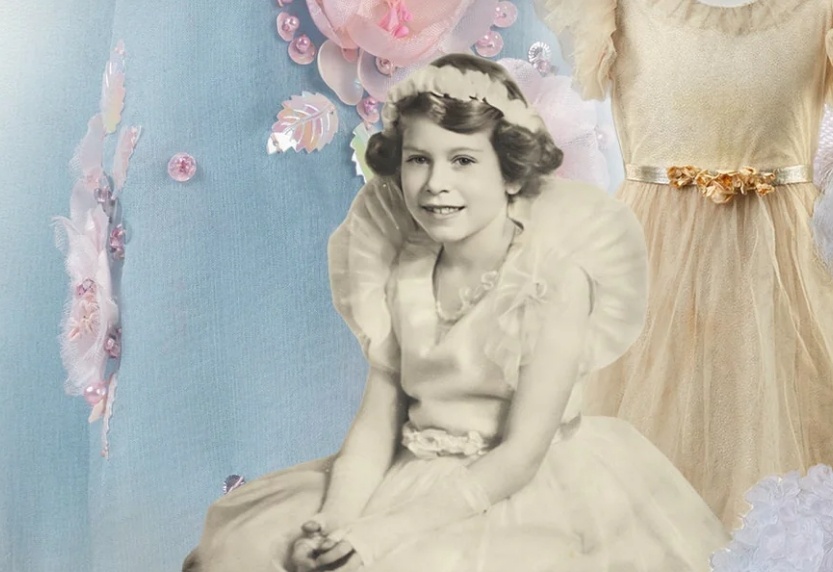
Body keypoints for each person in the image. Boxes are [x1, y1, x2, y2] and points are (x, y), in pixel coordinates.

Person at [182, 53, 728, 572]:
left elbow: (519, 456)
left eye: (463, 160)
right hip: (411, 471)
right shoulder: (404, 272)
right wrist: (336, 522)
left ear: (511, 173)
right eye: (418, 159)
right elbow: (375, 429)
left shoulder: (554, 282)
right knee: (260, 545)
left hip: (516, 488)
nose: (435, 183)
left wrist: (379, 535)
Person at [536, 0, 833, 528]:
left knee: (787, 424)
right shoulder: (614, 13)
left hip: (783, 264)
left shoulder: (818, 14)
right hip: (653, 262)